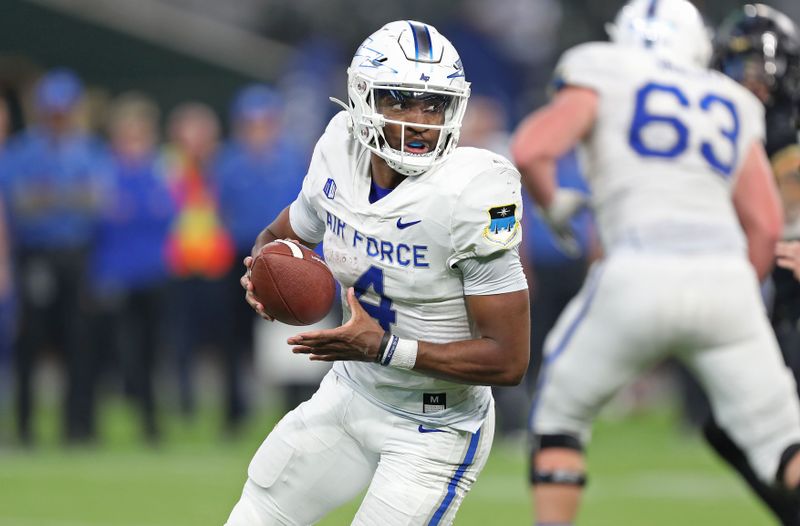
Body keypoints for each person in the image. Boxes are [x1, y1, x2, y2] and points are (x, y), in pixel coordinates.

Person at [225, 20, 530, 526]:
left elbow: (509, 359)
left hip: (435, 424)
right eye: (401, 101)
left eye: (434, 105)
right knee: (255, 514)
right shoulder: (339, 149)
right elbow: (280, 236)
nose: (420, 121)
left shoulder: (474, 192)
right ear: (363, 99)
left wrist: (386, 348)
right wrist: (264, 274)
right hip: (351, 392)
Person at [509, 1, 800, 524]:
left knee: (559, 420)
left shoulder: (601, 67)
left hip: (638, 266)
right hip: (724, 277)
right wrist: (737, 297)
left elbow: (531, 150)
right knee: (784, 444)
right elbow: (765, 224)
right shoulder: (730, 100)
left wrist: (553, 203)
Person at [700, 5, 800, 524]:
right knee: (730, 427)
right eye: (737, 66)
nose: (748, 79)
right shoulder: (733, 128)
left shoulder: (787, 128)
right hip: (781, 302)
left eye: (756, 66)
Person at [2, 68, 110, 445]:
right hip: (37, 254)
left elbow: (98, 200)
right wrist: (68, 196)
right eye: (52, 111)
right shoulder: (22, 150)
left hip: (78, 254)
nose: (58, 118)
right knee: (30, 340)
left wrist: (50, 196)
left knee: (80, 339)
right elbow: (21, 204)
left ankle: (78, 426)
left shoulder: (90, 149)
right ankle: (25, 426)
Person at [215, 84, 307, 428]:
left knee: (288, 332)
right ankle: (234, 409)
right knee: (234, 335)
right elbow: (219, 210)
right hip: (240, 254)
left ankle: (293, 405)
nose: (258, 131)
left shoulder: (292, 159)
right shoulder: (229, 162)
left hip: (284, 254)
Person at [89, 92, 174, 443]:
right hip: (116, 276)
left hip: (154, 273)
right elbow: (101, 219)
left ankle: (150, 421)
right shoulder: (104, 170)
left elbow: (168, 215)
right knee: (117, 352)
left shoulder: (163, 168)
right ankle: (98, 421)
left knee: (152, 351)